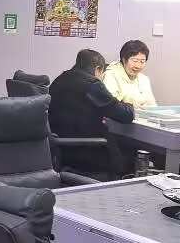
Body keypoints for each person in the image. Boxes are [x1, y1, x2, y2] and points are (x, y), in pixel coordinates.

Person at [50, 48, 135, 177]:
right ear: (98, 69)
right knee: (131, 151)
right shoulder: (92, 84)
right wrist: (129, 105)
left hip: (61, 149)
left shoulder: (59, 80)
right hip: (89, 151)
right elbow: (125, 115)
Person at [103, 39, 157, 108]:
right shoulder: (111, 75)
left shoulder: (144, 79)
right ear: (124, 60)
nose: (138, 66)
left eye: (142, 61)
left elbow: (152, 105)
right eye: (135, 61)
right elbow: (111, 106)